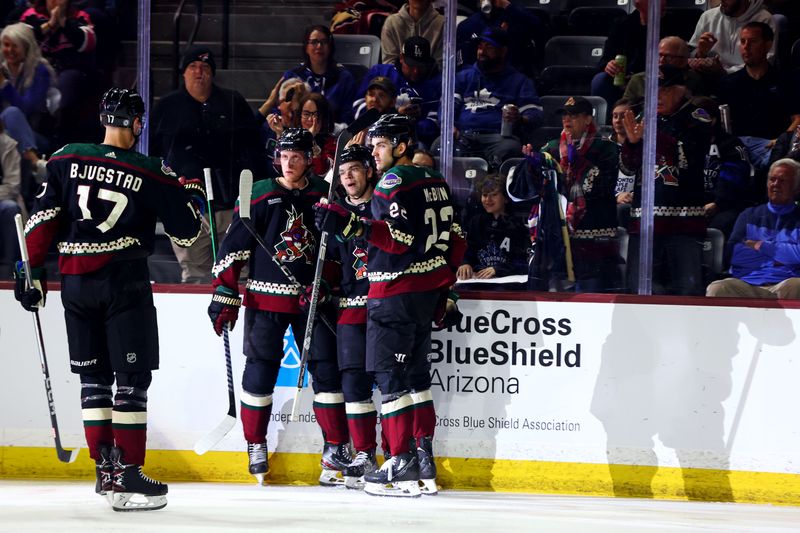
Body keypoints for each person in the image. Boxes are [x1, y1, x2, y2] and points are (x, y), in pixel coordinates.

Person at [13, 88, 204, 511]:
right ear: (135, 123)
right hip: (124, 282)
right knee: (132, 382)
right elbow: (188, 235)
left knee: (94, 380)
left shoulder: (66, 156)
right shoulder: (151, 170)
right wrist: (188, 196)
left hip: (76, 285)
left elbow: (42, 222)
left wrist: (31, 273)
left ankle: (105, 470)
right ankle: (130, 474)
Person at [316, 114, 465, 497]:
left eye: (380, 144)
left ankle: (399, 462)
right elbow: (456, 241)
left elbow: (396, 240)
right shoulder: (436, 181)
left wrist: (351, 225)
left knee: (392, 381)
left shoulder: (393, 182)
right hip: (424, 293)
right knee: (417, 379)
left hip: (394, 293)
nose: (374, 152)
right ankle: (423, 459)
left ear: (401, 146)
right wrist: (443, 288)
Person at [206, 128, 351, 486]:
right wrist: (224, 294)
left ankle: (335, 448)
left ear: (309, 159)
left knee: (328, 373)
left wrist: (325, 284)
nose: (289, 163)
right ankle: (255, 443)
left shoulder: (324, 194)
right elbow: (232, 249)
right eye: (284, 157)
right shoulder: (258, 194)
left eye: (297, 157)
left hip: (312, 302)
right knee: (259, 374)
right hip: (265, 299)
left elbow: (338, 251)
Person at [150, 46, 268, 283]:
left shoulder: (233, 101)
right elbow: (153, 156)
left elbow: (254, 151)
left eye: (204, 67)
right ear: (183, 73)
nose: (199, 72)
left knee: (239, 273)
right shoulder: (167, 107)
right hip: (188, 207)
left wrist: (253, 198)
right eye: (192, 67)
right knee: (194, 275)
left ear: (213, 73)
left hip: (232, 206)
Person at [508, 96, 619, 292]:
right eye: (564, 115)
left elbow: (603, 188)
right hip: (558, 240)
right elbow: (538, 193)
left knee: (591, 300)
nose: (567, 120)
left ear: (587, 119)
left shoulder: (606, 148)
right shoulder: (550, 149)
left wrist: (578, 164)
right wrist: (533, 168)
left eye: (574, 115)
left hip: (594, 241)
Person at [620, 65, 711, 295]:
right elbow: (628, 167)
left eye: (665, 90)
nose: (658, 96)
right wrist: (631, 144)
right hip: (645, 220)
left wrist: (650, 138)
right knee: (639, 287)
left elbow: (686, 157)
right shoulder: (643, 117)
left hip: (684, 220)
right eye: (654, 90)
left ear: (681, 90)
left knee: (687, 289)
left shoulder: (698, 117)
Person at [321, 144, 381, 489]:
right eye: (343, 174)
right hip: (350, 309)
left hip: (385, 304)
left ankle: (400, 452)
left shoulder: (383, 206)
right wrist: (321, 288)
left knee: (391, 381)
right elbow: (329, 264)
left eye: (355, 170)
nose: (348, 178)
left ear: (369, 171)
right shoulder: (336, 212)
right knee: (353, 384)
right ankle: (363, 453)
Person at [706, 158, 800, 299]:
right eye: (772, 180)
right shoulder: (748, 215)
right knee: (718, 287)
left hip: (786, 285)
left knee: (797, 285)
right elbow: (734, 255)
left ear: (796, 188)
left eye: (782, 181)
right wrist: (782, 257)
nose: (775, 185)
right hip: (747, 284)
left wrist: (759, 245)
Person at [452, 26, 543, 170]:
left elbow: (535, 114)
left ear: (503, 51)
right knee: (440, 146)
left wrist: (520, 118)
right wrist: (450, 126)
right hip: (464, 135)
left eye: (489, 47)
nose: (482, 51)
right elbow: (447, 107)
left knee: (510, 148)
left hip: (498, 137)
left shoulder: (519, 81)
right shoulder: (464, 76)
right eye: (480, 46)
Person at [714, 22, 800, 172]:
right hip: (738, 145)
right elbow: (720, 122)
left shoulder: (785, 80)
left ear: (767, 45)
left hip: (771, 145)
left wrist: (782, 140)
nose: (746, 47)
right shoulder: (728, 82)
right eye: (742, 41)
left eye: (753, 42)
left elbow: (797, 118)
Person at [20, 0, 98, 143]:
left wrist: (63, 22)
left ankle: (62, 138)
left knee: (68, 83)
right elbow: (22, 40)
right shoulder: (31, 15)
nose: (55, 1)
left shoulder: (80, 16)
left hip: (69, 70)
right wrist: (49, 24)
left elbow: (87, 43)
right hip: (39, 69)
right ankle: (39, 136)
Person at [351, 36, 441, 147]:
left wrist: (410, 123)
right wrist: (396, 116)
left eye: (421, 66)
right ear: (401, 58)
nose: (416, 71)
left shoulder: (437, 82)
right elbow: (358, 110)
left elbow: (436, 125)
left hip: (415, 142)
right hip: (374, 137)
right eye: (411, 65)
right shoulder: (380, 72)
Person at [692, 96, 752, 240]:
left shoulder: (731, 145)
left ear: (713, 120)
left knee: (719, 226)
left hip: (725, 205)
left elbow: (734, 177)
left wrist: (717, 203)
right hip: (692, 204)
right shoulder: (686, 143)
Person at [0, 22, 58, 168]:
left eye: (15, 46)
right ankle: (36, 166)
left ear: (26, 47)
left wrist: (4, 85)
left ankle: (33, 163)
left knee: (12, 113)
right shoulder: (2, 68)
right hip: (3, 131)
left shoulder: (40, 70)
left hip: (34, 134)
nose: (9, 50)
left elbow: (29, 108)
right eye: (6, 45)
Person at [457, 173, 527, 282]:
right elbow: (467, 250)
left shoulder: (517, 226)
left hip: (507, 282)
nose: (488, 199)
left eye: (494, 195)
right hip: (477, 279)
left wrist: (499, 270)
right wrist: (465, 263)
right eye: (484, 195)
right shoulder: (476, 222)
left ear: (506, 198)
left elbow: (524, 262)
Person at [283, 25, 357, 126]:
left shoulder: (344, 78)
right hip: (298, 133)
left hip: (333, 134)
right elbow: (282, 109)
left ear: (330, 46)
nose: (319, 46)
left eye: (324, 42)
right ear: (306, 47)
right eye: (314, 42)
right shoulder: (294, 76)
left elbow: (348, 117)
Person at [456, 0, 547, 79]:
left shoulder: (516, 18)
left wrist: (507, 6)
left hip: (510, 80)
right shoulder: (467, 25)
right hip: (477, 81)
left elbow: (540, 32)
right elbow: (462, 65)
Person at [689, 0, 776, 74]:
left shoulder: (764, 19)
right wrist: (701, 53)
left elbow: (767, 60)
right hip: (710, 77)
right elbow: (690, 53)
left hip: (747, 80)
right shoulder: (708, 17)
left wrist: (725, 71)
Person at [623, 36, 714, 103]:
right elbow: (624, 108)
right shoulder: (638, 80)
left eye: (668, 57)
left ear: (683, 61)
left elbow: (702, 109)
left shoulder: (694, 80)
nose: (661, 60)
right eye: (659, 55)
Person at [380, 0, 443, 71]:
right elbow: (389, 63)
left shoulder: (443, 24)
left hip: (431, 80)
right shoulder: (391, 22)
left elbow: (441, 66)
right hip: (398, 80)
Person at [0, 121, 22, 277]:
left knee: (10, 208)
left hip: (3, 198)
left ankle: (8, 268)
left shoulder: (8, 146)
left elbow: (12, 185)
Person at [299, 92, 336, 177]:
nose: (310, 119)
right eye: (306, 114)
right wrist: (279, 134)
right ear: (300, 115)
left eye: (316, 115)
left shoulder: (332, 142)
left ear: (324, 117)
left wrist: (311, 140)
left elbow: (322, 171)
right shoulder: (292, 137)